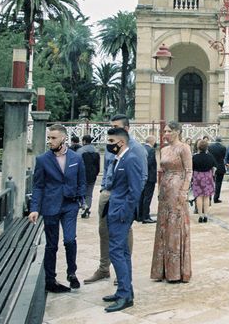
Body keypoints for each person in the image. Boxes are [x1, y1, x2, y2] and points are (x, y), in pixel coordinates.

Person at [85, 114, 147, 284]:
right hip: (108, 193)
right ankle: (104, 268)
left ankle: (123, 272)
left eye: (116, 126)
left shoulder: (136, 149)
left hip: (123, 197)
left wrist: (130, 202)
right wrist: (105, 188)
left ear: (126, 129)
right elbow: (107, 169)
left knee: (123, 233)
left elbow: (142, 177)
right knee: (103, 231)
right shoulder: (111, 145)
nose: (112, 129)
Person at [29, 123, 86, 293]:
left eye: (53, 138)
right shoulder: (42, 160)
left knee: (70, 239)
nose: (50, 141)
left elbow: (82, 181)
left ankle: (72, 273)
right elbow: (38, 186)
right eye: (49, 138)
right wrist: (34, 208)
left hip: (70, 205)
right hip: (50, 206)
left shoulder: (76, 158)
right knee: (51, 245)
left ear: (63, 138)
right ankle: (50, 280)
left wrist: (82, 201)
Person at [101, 127, 143, 312]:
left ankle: (125, 295)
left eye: (111, 142)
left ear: (121, 142)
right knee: (122, 252)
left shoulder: (131, 159)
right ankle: (124, 291)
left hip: (120, 214)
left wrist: (124, 213)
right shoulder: (120, 159)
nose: (108, 145)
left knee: (116, 252)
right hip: (115, 210)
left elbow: (135, 190)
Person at [151, 121, 193, 282]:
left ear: (177, 132)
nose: (165, 134)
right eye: (164, 131)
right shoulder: (163, 149)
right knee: (163, 226)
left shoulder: (184, 148)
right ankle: (162, 270)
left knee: (175, 226)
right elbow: (161, 171)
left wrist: (184, 191)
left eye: (168, 131)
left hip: (177, 190)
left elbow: (189, 171)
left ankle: (176, 272)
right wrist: (159, 190)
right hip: (165, 189)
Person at [192, 139, 216, 223]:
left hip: (197, 177)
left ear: (198, 147)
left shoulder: (194, 157)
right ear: (206, 147)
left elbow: (192, 168)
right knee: (206, 197)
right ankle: (206, 215)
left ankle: (200, 215)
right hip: (208, 177)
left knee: (198, 197)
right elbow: (214, 166)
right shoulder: (210, 156)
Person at [77, 134, 100, 219]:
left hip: (82, 175)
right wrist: (96, 173)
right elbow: (98, 165)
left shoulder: (80, 151)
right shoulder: (96, 150)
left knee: (81, 192)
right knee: (89, 193)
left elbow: (77, 163)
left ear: (84, 141)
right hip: (92, 175)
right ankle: (87, 207)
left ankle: (84, 206)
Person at [139, 136, 157, 224]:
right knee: (147, 197)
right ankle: (145, 216)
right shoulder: (151, 150)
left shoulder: (141, 148)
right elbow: (150, 163)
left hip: (142, 177)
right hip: (150, 177)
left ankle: (140, 215)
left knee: (142, 196)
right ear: (152, 141)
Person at [209, 137, 227, 203]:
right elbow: (223, 157)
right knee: (218, 183)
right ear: (221, 141)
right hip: (220, 166)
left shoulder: (210, 147)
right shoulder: (223, 147)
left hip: (212, 166)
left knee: (210, 183)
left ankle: (209, 198)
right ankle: (216, 198)